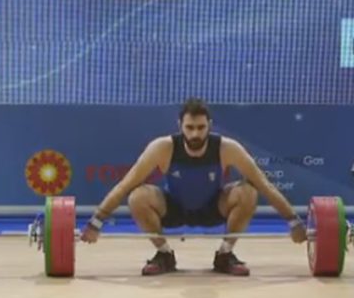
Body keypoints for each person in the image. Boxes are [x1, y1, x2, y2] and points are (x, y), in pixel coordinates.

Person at [80, 97, 307, 276]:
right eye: (189, 127)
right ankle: (164, 255)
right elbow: (124, 185)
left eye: (200, 127)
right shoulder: (162, 148)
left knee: (248, 191)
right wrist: (96, 222)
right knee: (137, 196)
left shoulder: (227, 148)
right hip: (174, 209)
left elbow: (265, 186)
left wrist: (294, 221)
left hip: (213, 209)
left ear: (209, 126)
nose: (195, 133)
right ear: (180, 126)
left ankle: (225, 255)